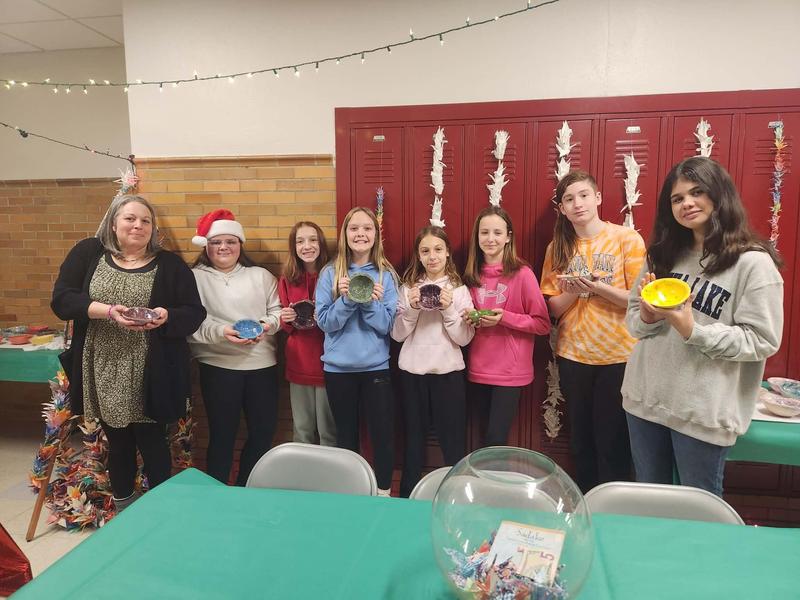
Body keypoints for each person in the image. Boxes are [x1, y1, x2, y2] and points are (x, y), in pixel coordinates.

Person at [623, 156, 784, 496]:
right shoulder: (662, 255)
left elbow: (762, 339)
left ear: (718, 195)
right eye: (677, 198)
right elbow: (634, 320)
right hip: (645, 400)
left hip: (702, 413)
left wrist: (693, 331)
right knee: (649, 504)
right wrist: (649, 318)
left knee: (699, 514)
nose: (687, 203)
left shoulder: (752, 263)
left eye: (697, 192)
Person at [51, 194, 205, 512]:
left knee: (153, 442)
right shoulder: (88, 252)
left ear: (153, 228)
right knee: (118, 443)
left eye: (145, 220)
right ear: (113, 222)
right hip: (103, 364)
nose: (138, 225)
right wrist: (108, 311)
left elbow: (194, 312)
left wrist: (166, 316)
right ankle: (124, 510)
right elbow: (63, 300)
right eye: (130, 218)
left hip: (151, 368)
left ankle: (160, 512)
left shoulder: (170, 264)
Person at [540, 170, 646, 492]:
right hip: (574, 355)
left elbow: (639, 300)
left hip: (619, 357)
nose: (578, 204)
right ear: (561, 208)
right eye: (569, 199)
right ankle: (585, 505)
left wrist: (596, 288)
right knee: (581, 442)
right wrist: (575, 290)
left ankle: (613, 512)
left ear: (598, 197)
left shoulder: (627, 239)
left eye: (584, 195)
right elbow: (553, 310)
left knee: (613, 442)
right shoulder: (557, 248)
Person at [188, 209, 281, 485]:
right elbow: (192, 323)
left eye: (231, 241)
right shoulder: (194, 278)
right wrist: (221, 332)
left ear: (240, 245)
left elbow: (277, 311)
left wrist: (265, 326)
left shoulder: (261, 275)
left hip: (262, 366)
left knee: (263, 433)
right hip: (218, 367)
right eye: (217, 242)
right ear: (207, 246)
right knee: (222, 434)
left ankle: (245, 488)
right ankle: (217, 493)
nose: (224, 247)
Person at [315, 207, 398, 496]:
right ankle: (350, 493)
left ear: (376, 235)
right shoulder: (330, 273)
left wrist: (369, 302)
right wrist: (348, 299)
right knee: (346, 436)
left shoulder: (386, 275)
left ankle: (384, 493)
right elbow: (325, 323)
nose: (360, 234)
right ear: (345, 234)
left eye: (367, 228)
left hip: (376, 368)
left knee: (382, 436)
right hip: (338, 371)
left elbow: (387, 326)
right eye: (354, 228)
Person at [391, 225, 474, 497]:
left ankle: (455, 498)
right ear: (418, 255)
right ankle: (406, 498)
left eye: (438, 249)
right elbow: (398, 334)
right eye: (425, 251)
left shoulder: (459, 291)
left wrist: (449, 308)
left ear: (448, 252)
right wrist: (413, 309)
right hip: (412, 375)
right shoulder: (408, 289)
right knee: (413, 441)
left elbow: (463, 339)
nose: (432, 256)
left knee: (452, 443)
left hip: (448, 375)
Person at [462, 205, 551, 446]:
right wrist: (469, 319)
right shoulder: (470, 274)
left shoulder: (522, 274)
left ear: (508, 237)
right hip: (478, 368)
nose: (490, 239)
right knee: (481, 439)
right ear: (477, 237)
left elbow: (543, 324)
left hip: (510, 372)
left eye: (497, 233)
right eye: (484, 232)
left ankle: (495, 484)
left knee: (496, 439)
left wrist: (505, 318)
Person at [278, 221, 336, 446]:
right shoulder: (288, 278)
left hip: (327, 360)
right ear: (293, 247)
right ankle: (303, 479)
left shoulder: (332, 276)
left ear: (321, 243)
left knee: (328, 432)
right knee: (302, 430)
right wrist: (287, 320)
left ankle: (329, 480)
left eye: (312, 240)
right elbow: (285, 324)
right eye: (300, 241)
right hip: (299, 360)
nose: (307, 246)